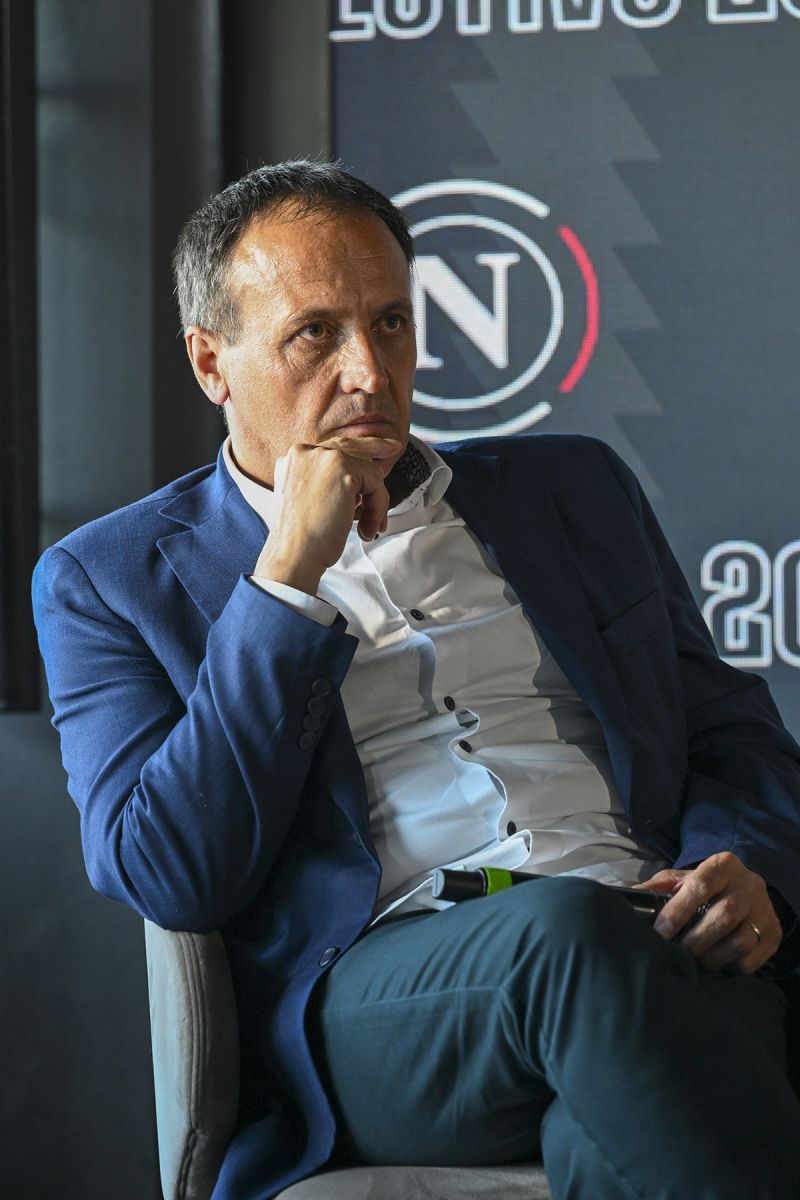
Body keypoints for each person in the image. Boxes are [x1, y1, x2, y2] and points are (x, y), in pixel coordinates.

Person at [33, 161, 800, 1200]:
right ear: (212, 362)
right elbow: (169, 870)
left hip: (652, 931)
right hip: (390, 999)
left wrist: (743, 867)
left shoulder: (570, 489)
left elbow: (733, 734)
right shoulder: (109, 579)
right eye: (314, 334)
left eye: (390, 323)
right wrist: (284, 584)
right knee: (565, 938)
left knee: (605, 1119)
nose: (368, 370)